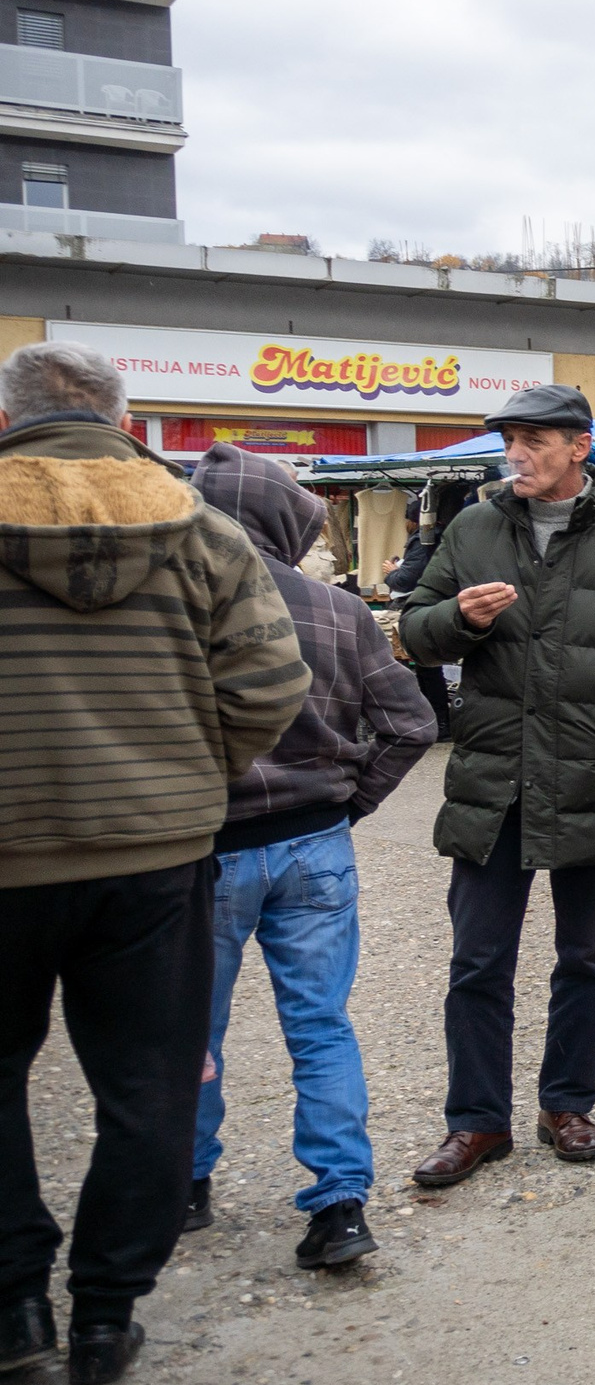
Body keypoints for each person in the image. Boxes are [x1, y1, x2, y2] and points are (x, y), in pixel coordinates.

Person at [0, 341, 310, 1385]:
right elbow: (274, 678)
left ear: (12, 416)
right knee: (148, 1082)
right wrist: (188, 776)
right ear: (120, 414)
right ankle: (104, 1314)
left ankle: (12, 1306)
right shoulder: (200, 527)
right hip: (157, 856)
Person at [399, 384, 595, 1187]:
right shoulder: (472, 526)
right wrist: (460, 618)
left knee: (586, 957)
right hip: (494, 780)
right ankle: (477, 1121)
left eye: (532, 439)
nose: (514, 453)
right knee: (477, 961)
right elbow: (413, 633)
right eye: (509, 439)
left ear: (579, 446)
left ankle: (567, 1103)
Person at [186, 444, 437, 1269]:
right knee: (321, 1026)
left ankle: (184, 1183)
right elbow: (410, 725)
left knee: (190, 1026)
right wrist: (349, 803)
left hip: (207, 851)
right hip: (315, 844)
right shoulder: (336, 609)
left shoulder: (180, 598)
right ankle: (340, 1204)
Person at [387, 479, 476, 740]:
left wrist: (393, 574)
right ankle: (440, 722)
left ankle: (440, 723)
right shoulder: (443, 536)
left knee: (429, 668)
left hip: (427, 605)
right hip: (439, 606)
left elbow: (410, 579)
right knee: (429, 667)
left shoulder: (427, 541)